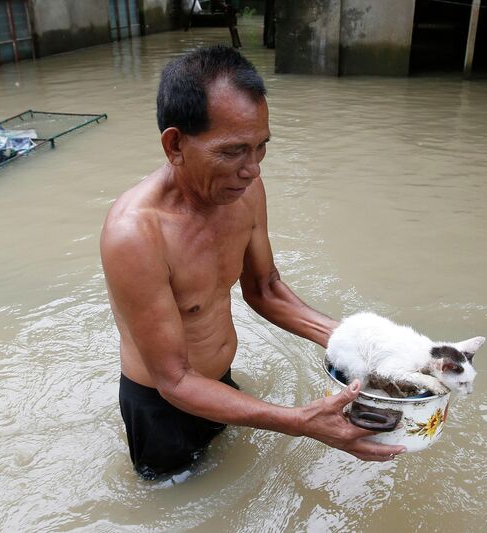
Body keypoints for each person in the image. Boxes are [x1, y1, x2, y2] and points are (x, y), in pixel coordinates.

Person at [100, 46, 405, 480]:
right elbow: (176, 380)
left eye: (261, 148)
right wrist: (300, 421)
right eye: (233, 151)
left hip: (218, 384)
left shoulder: (242, 193)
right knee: (172, 500)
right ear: (175, 145)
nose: (252, 170)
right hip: (163, 405)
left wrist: (360, 345)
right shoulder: (136, 235)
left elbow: (264, 288)